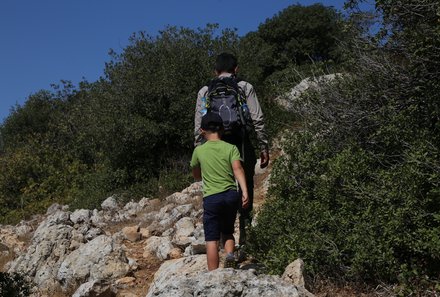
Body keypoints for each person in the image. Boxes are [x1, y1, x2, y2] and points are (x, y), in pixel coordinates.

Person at [194, 52, 269, 251]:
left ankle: (222, 239)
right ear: (236, 69)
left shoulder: (205, 91)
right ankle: (246, 235)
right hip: (241, 142)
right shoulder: (245, 87)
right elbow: (257, 118)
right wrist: (263, 146)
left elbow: (198, 125)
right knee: (246, 185)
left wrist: (199, 151)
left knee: (220, 188)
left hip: (214, 146)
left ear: (215, 71)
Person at [191, 112, 249, 270]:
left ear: (202, 131)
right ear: (222, 128)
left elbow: (196, 176)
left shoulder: (199, 151)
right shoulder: (231, 148)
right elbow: (238, 169)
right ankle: (230, 256)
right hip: (231, 195)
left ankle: (213, 275)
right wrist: (245, 191)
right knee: (228, 231)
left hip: (212, 198)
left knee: (211, 239)